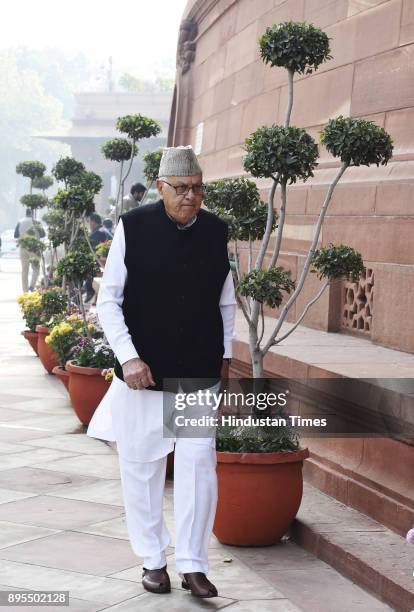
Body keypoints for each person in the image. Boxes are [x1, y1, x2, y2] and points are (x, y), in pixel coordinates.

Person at [87, 145, 237, 598]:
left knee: (198, 466)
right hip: (143, 372)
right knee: (142, 464)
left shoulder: (216, 231)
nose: (190, 197)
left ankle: (193, 563)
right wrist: (129, 357)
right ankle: (153, 560)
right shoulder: (133, 229)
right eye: (181, 189)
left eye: (197, 188)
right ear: (160, 188)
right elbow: (108, 301)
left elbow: (225, 302)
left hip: (197, 370)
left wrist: (225, 356)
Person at [14, 209, 45, 292]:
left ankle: (25, 291)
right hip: (34, 248)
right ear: (33, 213)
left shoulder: (20, 221)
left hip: (23, 247)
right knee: (36, 268)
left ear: (26, 213)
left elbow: (16, 235)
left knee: (24, 270)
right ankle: (32, 286)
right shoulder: (36, 222)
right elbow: (43, 234)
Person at [84, 213, 113, 302]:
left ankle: (89, 291)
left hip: (104, 262)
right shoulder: (105, 230)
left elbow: (90, 250)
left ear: (93, 222)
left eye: (89, 222)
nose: (89, 225)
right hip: (109, 261)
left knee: (87, 268)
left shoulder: (98, 232)